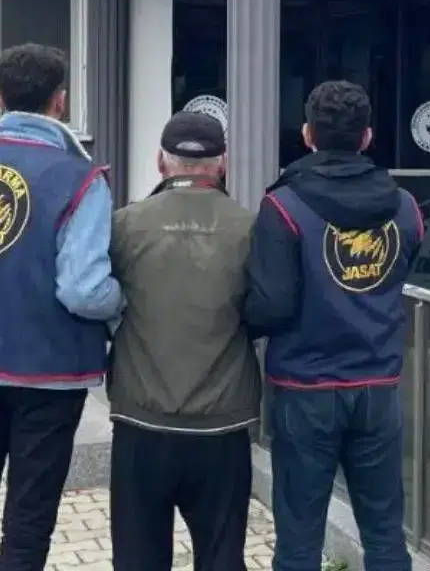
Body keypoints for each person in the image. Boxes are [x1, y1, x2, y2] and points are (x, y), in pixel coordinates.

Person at [0, 43, 123, 571]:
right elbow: (83, 290)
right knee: (28, 523)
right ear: (60, 101)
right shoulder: (80, 178)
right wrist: (123, 305)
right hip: (48, 372)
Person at [244, 80, 423, 571]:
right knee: (385, 538)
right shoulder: (405, 206)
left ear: (307, 135)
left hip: (305, 388)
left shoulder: (283, 206)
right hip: (379, 386)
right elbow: (402, 270)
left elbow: (271, 306)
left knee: (299, 543)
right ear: (367, 136)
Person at [106, 111, 262, 571]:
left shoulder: (124, 224)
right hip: (222, 424)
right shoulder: (251, 227)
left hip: (141, 420)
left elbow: (91, 298)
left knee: (137, 559)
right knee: (222, 558)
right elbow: (270, 308)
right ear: (223, 163)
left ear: (161, 162)